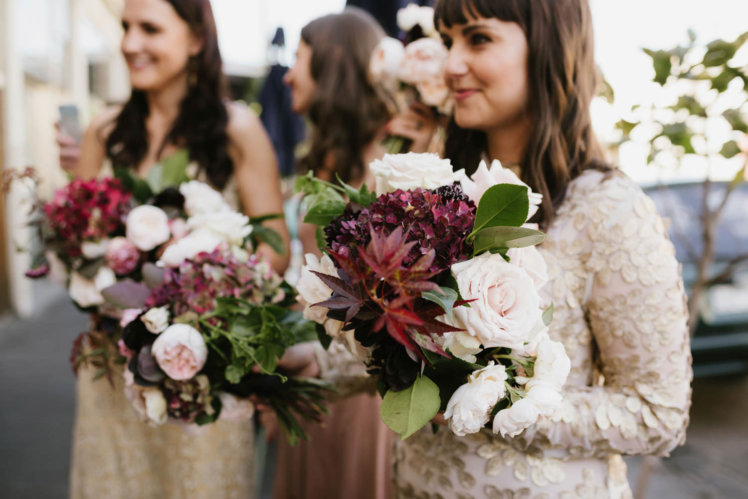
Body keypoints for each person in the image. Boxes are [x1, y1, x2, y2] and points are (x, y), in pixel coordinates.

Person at [390, 0, 692, 496]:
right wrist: (307, 357)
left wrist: (493, 404)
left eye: (478, 38)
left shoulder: (608, 209)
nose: (451, 65)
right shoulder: (442, 194)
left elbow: (657, 413)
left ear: (548, 49)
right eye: (447, 41)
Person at [64, 0, 289, 497]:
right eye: (125, 28)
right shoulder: (104, 131)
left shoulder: (237, 130)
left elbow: (275, 249)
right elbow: (77, 236)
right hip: (111, 371)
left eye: (149, 28)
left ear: (193, 40)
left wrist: (199, 291)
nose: (129, 44)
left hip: (198, 366)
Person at [270, 8, 395, 499]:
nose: (287, 74)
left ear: (332, 64)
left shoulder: (385, 167)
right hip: (309, 369)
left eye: (299, 59)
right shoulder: (321, 160)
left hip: (359, 387)